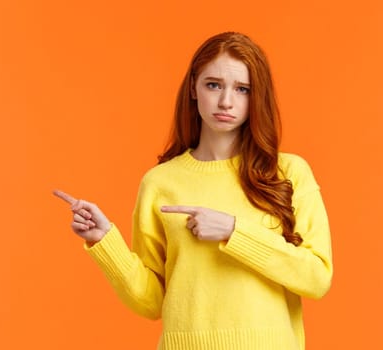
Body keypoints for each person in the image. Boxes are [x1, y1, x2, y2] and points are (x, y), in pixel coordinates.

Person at [53, 32, 333, 350]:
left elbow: (317, 278)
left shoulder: (288, 173)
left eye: (242, 89)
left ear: (257, 97)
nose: (226, 101)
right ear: (193, 89)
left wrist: (233, 231)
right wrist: (104, 241)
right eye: (213, 85)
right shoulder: (161, 183)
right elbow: (152, 302)